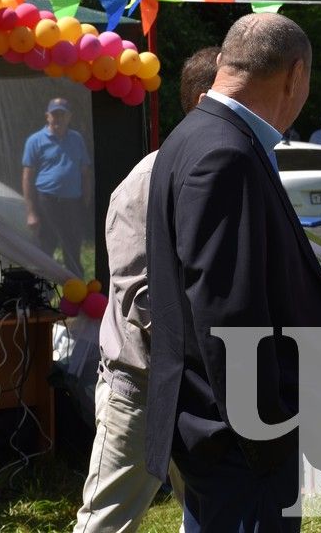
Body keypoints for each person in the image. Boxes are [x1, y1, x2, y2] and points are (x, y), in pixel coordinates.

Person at [146, 13, 321, 531]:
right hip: (238, 436)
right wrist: (267, 430)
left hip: (212, 423)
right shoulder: (225, 151)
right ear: (296, 75)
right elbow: (227, 310)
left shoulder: (195, 134)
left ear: (222, 63)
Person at [73, 48, 219, 532]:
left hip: (205, 388)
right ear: (204, 100)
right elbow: (142, 299)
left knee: (211, 514)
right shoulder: (148, 180)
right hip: (141, 387)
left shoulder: (230, 171)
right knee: (106, 523)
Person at [22, 98, 92, 277]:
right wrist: (31, 212)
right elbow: (27, 177)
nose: (58, 118)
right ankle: (43, 290)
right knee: (46, 246)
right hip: (46, 201)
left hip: (72, 202)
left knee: (73, 246)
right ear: (47, 116)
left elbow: (84, 172)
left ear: (69, 117)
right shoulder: (35, 140)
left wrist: (84, 201)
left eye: (62, 114)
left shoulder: (76, 139)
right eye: (54, 114)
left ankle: (77, 292)